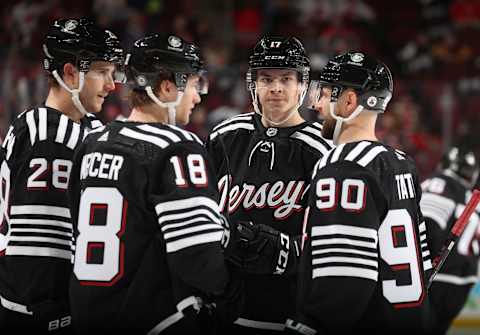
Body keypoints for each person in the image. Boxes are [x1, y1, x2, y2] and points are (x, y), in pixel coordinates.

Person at [68, 33, 238, 334]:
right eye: (194, 83)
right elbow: (198, 256)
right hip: (152, 320)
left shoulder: (92, 143)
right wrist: (232, 292)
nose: (198, 96)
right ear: (167, 86)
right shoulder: (177, 146)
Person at [285, 52, 434, 334]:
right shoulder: (401, 162)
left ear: (349, 101)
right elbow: (421, 265)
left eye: (325, 94)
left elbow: (344, 282)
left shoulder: (343, 166)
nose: (316, 104)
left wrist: (307, 326)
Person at [0, 18, 123, 333]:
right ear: (70, 72)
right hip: (39, 311)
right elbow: (41, 248)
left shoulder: (90, 128)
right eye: (101, 72)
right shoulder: (45, 133)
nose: (112, 85)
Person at [206, 35, 333, 334]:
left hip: (291, 315)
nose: (276, 88)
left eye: (286, 79)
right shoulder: (225, 137)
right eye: (267, 78)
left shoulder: (324, 150)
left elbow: (334, 243)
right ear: (254, 84)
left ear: (302, 85)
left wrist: (293, 252)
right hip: (225, 310)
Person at [421, 146, 480, 334]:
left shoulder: (439, 184)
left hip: (434, 277)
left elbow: (429, 227)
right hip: (464, 282)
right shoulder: (472, 198)